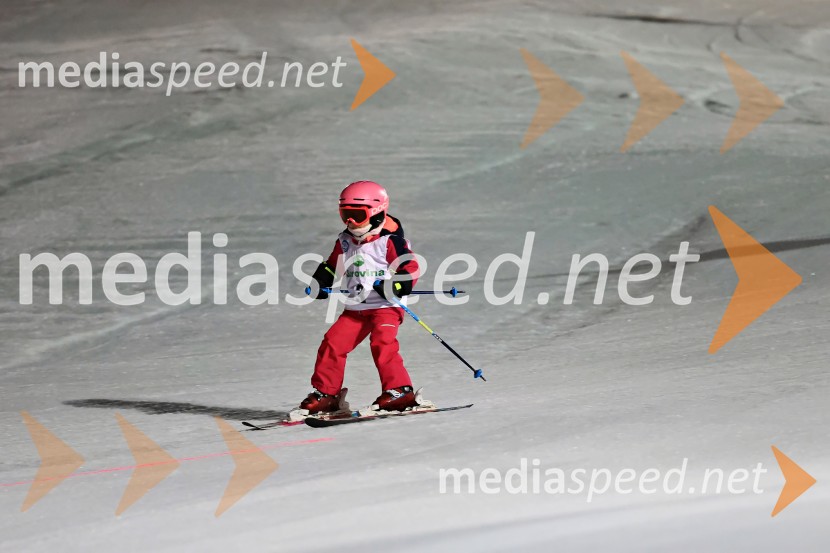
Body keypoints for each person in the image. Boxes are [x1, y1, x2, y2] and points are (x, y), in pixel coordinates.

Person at [300, 180, 420, 414]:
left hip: (386, 305)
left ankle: (400, 392)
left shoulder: (389, 240)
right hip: (356, 307)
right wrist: (320, 283)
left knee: (382, 343)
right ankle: (327, 395)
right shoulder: (345, 240)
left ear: (376, 213)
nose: (350, 222)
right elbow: (332, 265)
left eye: (357, 215)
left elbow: (411, 268)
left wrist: (395, 285)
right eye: (345, 214)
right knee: (332, 344)